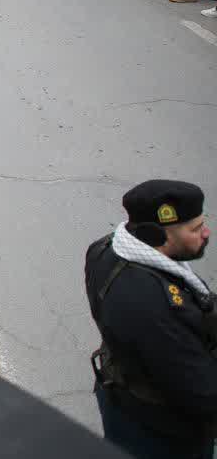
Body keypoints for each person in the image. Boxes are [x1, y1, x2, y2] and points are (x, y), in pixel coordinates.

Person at [84, 179, 216, 458]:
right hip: (160, 432)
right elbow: (202, 394)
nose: (206, 233)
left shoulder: (105, 248)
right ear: (155, 236)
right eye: (195, 229)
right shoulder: (153, 307)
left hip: (122, 395)